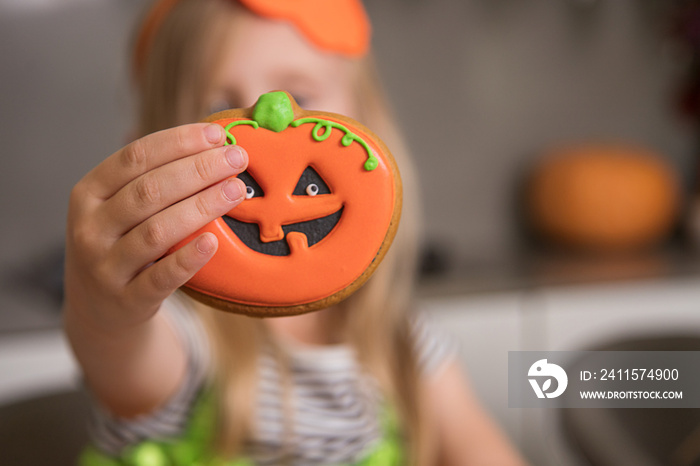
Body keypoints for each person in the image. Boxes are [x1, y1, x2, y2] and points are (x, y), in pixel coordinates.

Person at [63, 0, 528, 464]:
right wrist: (103, 307)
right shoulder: (178, 334)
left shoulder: (406, 345)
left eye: (300, 99)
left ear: (366, 127)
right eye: (219, 107)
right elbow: (118, 350)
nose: (268, 114)